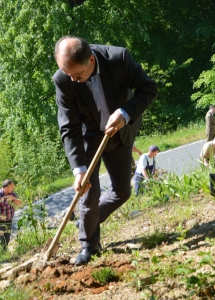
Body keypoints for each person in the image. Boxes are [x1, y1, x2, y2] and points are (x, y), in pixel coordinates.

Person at [53, 36, 158, 265]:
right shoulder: (63, 79)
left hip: (120, 133)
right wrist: (78, 169)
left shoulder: (118, 58)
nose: (73, 80)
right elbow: (68, 127)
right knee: (88, 195)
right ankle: (89, 246)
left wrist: (125, 113)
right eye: (68, 74)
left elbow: (148, 89)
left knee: (123, 192)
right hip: (89, 139)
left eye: (77, 74)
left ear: (91, 60)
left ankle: (87, 222)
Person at [0, 180, 22, 251]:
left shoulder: (12, 194)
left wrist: (13, 199)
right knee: (1, 240)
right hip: (1, 221)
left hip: (9, 220)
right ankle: (3, 255)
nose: (13, 189)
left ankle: (5, 253)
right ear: (6, 188)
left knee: (7, 239)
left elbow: (20, 203)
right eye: (11, 187)